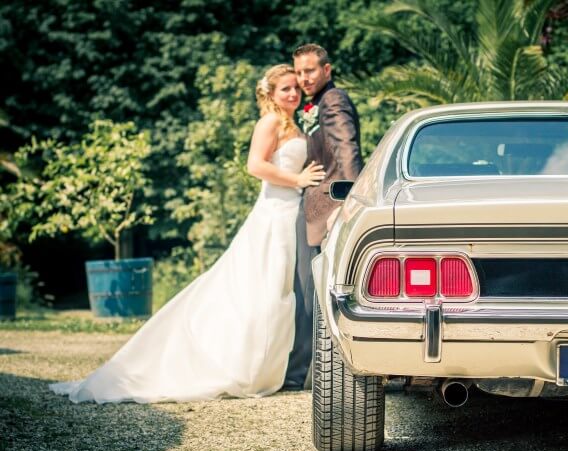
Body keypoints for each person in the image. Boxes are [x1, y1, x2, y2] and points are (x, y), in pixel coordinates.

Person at [49, 64, 325, 403]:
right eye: (286, 89)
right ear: (270, 93)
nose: (294, 94)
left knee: (279, 291)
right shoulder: (269, 122)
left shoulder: (292, 124)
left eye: (296, 88)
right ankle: (242, 364)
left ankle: (275, 366)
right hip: (272, 212)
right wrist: (297, 180)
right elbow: (255, 165)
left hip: (289, 213)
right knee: (262, 288)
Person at [282, 43, 364, 390]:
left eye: (310, 71)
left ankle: (305, 374)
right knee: (306, 290)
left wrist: (351, 201)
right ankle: (305, 372)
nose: (303, 79)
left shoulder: (333, 100)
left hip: (327, 206)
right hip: (313, 204)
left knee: (312, 290)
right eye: (299, 72)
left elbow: (347, 150)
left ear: (327, 70)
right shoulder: (310, 105)